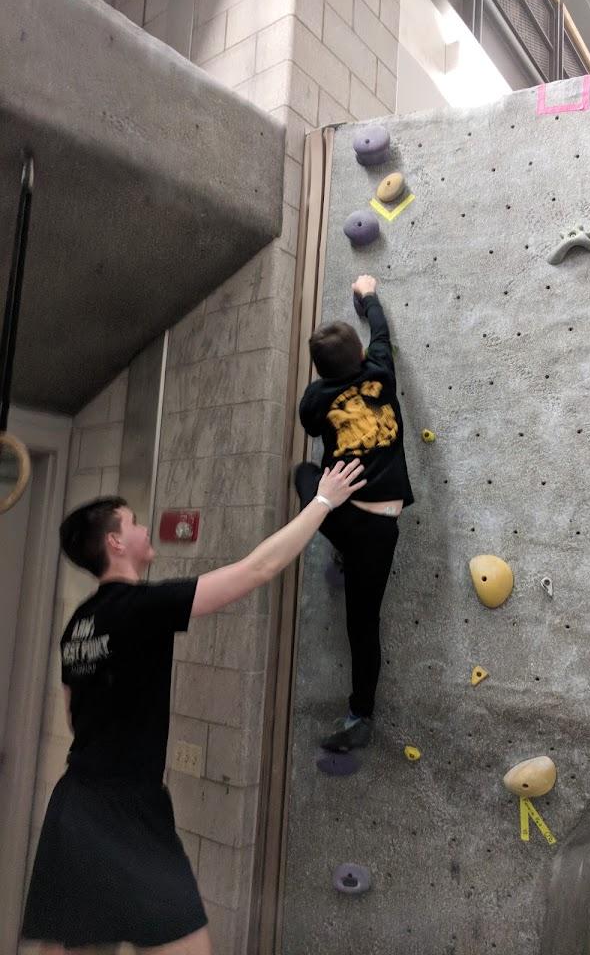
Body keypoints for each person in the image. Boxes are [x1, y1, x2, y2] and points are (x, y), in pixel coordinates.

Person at [22, 458, 365, 955]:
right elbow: (258, 568)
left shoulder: (80, 622)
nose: (143, 528)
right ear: (116, 543)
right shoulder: (139, 608)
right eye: (134, 522)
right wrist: (323, 501)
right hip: (125, 806)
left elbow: (74, 712)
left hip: (75, 806)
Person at [295, 274, 413, 752]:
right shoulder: (382, 369)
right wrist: (367, 295)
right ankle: (360, 713)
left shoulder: (317, 400)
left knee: (305, 474)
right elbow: (382, 334)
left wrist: (325, 388)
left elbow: (309, 423)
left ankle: (340, 543)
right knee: (363, 625)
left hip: (346, 513)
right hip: (384, 525)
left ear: (321, 373)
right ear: (362, 358)